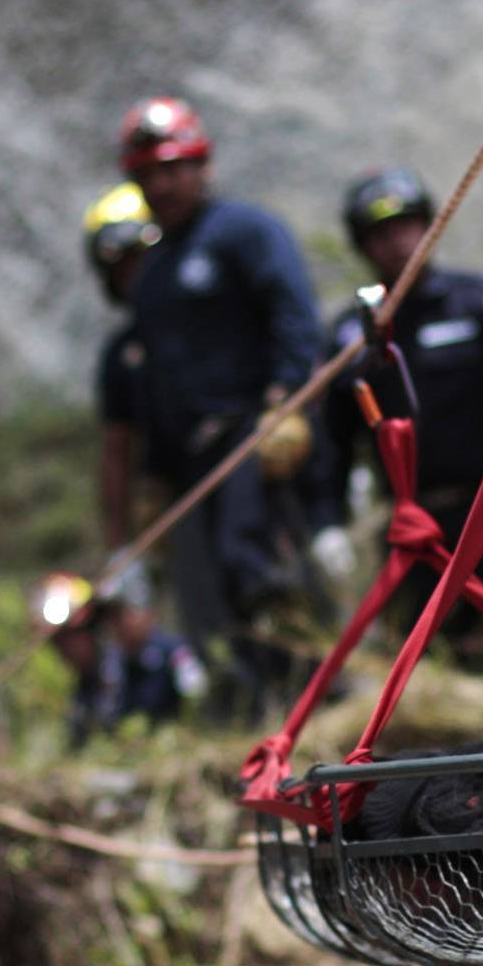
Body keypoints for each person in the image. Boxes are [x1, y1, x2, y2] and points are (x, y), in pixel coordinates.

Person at [92, 99, 327, 712]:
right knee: (210, 588)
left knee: (253, 561)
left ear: (202, 164)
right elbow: (160, 386)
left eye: (173, 168)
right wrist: (157, 475)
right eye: (147, 175)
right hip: (193, 456)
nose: (162, 185)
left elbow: (294, 315)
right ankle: (251, 700)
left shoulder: (245, 232)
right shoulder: (155, 273)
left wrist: (287, 399)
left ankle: (313, 686)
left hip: (254, 429)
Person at [322, 166, 483, 654]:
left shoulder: (482, 301)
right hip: (418, 530)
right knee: (439, 661)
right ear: (362, 244)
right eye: (380, 233)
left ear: (428, 226)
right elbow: (333, 439)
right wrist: (327, 521)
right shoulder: (351, 336)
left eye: (405, 225)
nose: (397, 241)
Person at [39, 569, 207, 740]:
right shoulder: (89, 688)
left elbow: (197, 702)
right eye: (59, 642)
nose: (113, 625)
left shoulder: (168, 655)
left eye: (117, 616)